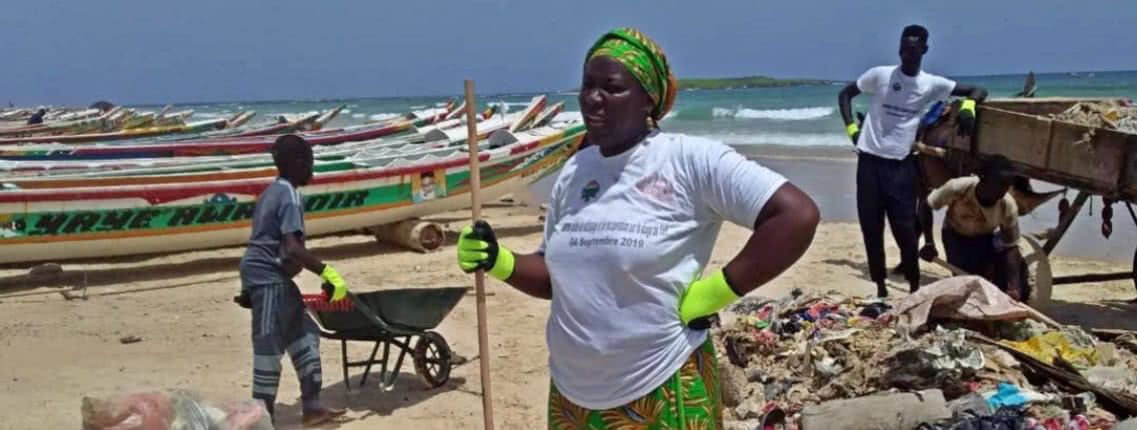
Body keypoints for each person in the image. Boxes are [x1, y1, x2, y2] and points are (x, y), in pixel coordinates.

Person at [456, 28, 819, 429]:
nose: (593, 99)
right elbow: (558, 279)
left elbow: (795, 216)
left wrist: (715, 292)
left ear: (648, 98)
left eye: (611, 88)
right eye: (588, 86)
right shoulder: (577, 170)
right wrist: (499, 260)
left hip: (661, 387)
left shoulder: (688, 160)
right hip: (571, 397)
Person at [837, 24, 988, 297]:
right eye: (904, 48)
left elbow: (978, 90)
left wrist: (968, 107)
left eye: (914, 49)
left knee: (905, 230)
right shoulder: (880, 75)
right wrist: (852, 129)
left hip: (900, 167)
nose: (907, 53)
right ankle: (881, 286)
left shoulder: (931, 83)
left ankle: (914, 287)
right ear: (899, 48)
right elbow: (845, 94)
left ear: (924, 51)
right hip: (869, 164)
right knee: (871, 227)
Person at [237, 134, 348, 426]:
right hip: (268, 276)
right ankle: (261, 417)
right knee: (269, 346)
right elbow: (292, 248)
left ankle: (312, 407)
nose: (312, 169)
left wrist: (247, 287)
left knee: (305, 333)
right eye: (310, 163)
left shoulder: (271, 192)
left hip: (267, 276)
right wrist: (327, 272)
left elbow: (259, 239)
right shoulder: (289, 194)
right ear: (297, 163)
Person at [927, 156, 1026, 299]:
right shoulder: (958, 187)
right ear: (983, 179)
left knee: (989, 279)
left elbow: (1011, 247)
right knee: (963, 285)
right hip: (954, 235)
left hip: (983, 238)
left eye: (1006, 187)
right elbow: (927, 206)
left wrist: (1014, 285)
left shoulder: (1008, 205)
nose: (1001, 192)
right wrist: (929, 242)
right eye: (997, 186)